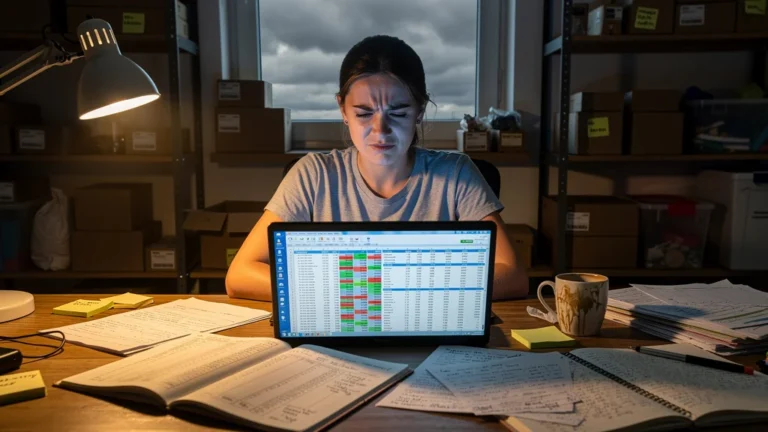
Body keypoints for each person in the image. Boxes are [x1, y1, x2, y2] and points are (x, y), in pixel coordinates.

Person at [226, 35, 528, 301]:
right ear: (343, 109)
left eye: (399, 113)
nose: (380, 130)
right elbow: (240, 274)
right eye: (363, 113)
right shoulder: (313, 175)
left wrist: (389, 290)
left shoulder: (457, 174)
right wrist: (348, 291)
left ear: (420, 111)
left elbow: (512, 275)